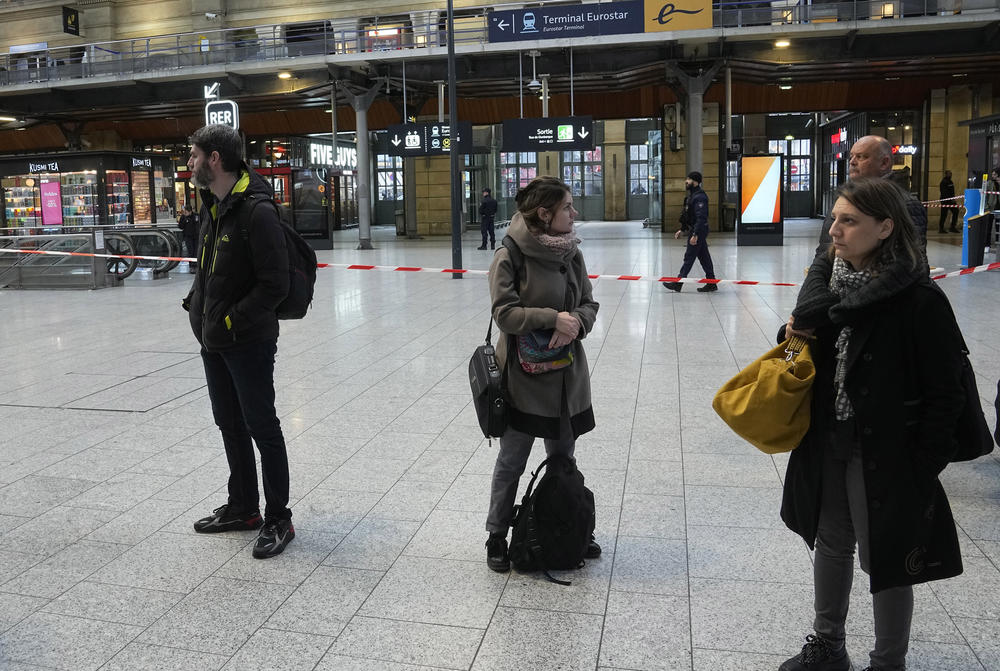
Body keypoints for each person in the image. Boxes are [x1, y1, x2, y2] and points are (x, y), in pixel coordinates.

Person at [779, 178, 965, 671]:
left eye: (848, 221)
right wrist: (794, 335)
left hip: (886, 450)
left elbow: (948, 394)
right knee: (832, 542)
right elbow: (796, 357)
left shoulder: (919, 300)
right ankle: (828, 646)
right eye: (834, 218)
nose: (834, 231)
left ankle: (888, 662)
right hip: (830, 439)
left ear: (884, 228)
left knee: (885, 556)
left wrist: (922, 463)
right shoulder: (827, 292)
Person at [181, 124, 295, 559]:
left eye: (194, 156)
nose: (189, 163)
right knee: (228, 423)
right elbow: (209, 269)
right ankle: (244, 507)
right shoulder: (215, 205)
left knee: (261, 426)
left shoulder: (257, 211)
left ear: (215, 159)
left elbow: (275, 286)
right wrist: (198, 306)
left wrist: (229, 322)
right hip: (214, 340)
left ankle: (278, 517)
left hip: (247, 341)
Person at [485, 176, 601, 572]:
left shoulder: (571, 252)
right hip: (524, 380)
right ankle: (497, 534)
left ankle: (564, 523)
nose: (574, 213)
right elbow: (504, 313)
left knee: (563, 458)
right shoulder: (510, 254)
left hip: (567, 379)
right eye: (568, 207)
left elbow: (589, 302)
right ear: (544, 214)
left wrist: (577, 323)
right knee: (512, 461)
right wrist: (553, 318)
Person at [816, 136, 927, 251]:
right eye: (851, 156)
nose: (852, 162)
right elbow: (826, 248)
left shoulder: (905, 204)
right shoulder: (845, 197)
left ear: (884, 163)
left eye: (861, 157)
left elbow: (913, 258)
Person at [662, 171, 717, 293]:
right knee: (704, 257)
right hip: (696, 229)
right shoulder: (692, 196)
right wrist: (682, 229)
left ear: (695, 182)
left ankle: (678, 283)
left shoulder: (700, 197)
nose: (686, 181)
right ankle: (712, 282)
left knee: (689, 257)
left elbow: (701, 217)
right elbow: (688, 216)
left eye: (689, 179)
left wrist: (695, 234)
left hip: (699, 230)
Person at [177, 204, 199, 271]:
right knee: (190, 251)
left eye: (186, 212)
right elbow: (180, 226)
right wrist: (185, 221)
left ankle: (196, 266)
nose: (185, 213)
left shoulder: (196, 216)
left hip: (196, 236)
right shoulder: (183, 217)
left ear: (190, 211)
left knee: (196, 251)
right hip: (188, 237)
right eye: (184, 212)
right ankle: (191, 266)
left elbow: (199, 224)